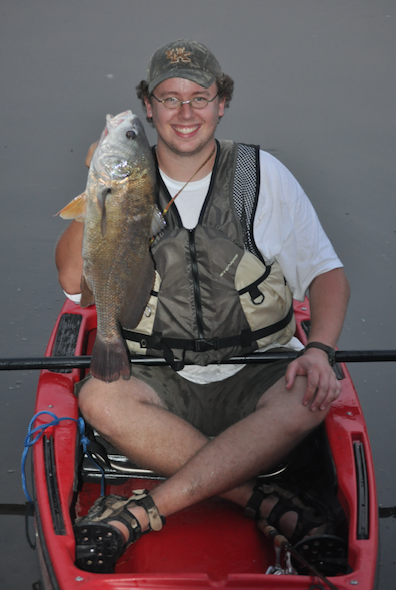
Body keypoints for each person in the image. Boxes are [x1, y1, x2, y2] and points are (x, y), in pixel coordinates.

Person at [55, 39, 350, 574]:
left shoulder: (263, 176)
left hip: (257, 370)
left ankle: (147, 510)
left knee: (309, 394)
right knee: (100, 399)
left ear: (221, 103)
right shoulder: (124, 178)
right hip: (155, 376)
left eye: (200, 96)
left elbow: (327, 274)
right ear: (148, 106)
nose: (185, 112)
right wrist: (97, 192)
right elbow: (75, 285)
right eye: (170, 99)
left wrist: (322, 349)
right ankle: (262, 499)